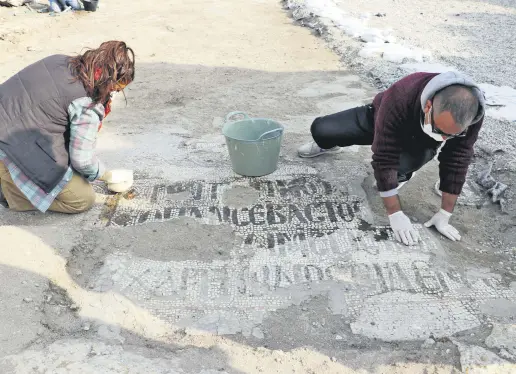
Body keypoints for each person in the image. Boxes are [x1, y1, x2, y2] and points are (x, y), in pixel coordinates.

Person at [297, 72, 485, 246]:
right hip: (380, 118)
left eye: (450, 136)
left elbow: (458, 158)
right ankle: (329, 143)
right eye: (440, 131)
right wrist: (395, 213)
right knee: (322, 130)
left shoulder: (472, 114)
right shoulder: (402, 94)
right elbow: (384, 156)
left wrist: (445, 213)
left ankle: (402, 174)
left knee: (391, 178)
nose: (444, 139)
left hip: (419, 141)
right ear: (428, 106)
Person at [0, 41, 135, 214]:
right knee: (82, 198)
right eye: (115, 89)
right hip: (9, 147)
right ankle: (13, 194)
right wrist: (105, 175)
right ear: (109, 81)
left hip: (8, 123)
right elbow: (82, 160)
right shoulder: (88, 103)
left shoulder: (60, 60)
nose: (113, 95)